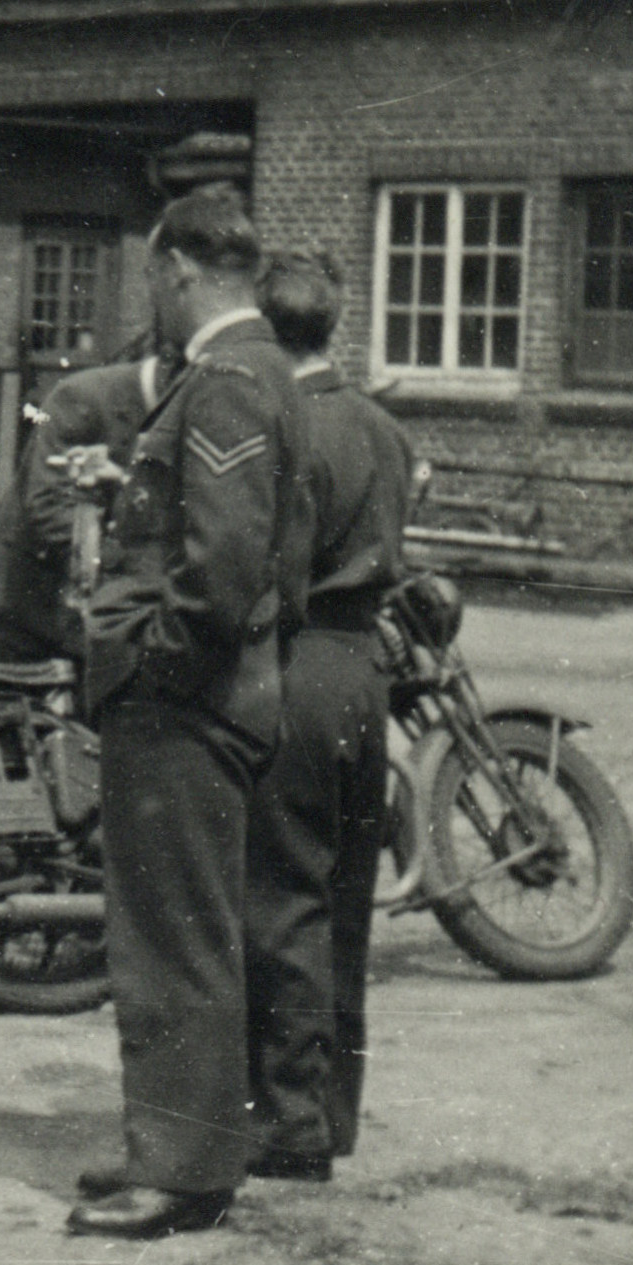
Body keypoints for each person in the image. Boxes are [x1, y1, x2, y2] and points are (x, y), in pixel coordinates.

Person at [66, 189, 314, 1238]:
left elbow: (217, 575)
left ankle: (181, 1168)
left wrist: (149, 669)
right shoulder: (264, 373)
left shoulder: (222, 382)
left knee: (171, 937)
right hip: (218, 692)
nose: (152, 300)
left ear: (176, 268)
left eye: (153, 280)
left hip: (183, 703)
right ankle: (172, 1144)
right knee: (187, 927)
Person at [243, 250, 415, 1178]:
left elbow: (278, 570)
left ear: (269, 329)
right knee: (345, 903)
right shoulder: (383, 428)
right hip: (363, 672)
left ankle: (288, 1122)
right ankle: (333, 1112)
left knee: (279, 899)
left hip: (299, 666)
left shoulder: (287, 426)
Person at [0, 353, 175, 665]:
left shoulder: (172, 416)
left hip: (83, 616)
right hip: (18, 608)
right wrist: (136, 561)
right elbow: (48, 506)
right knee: (0, 709)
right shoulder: (82, 397)